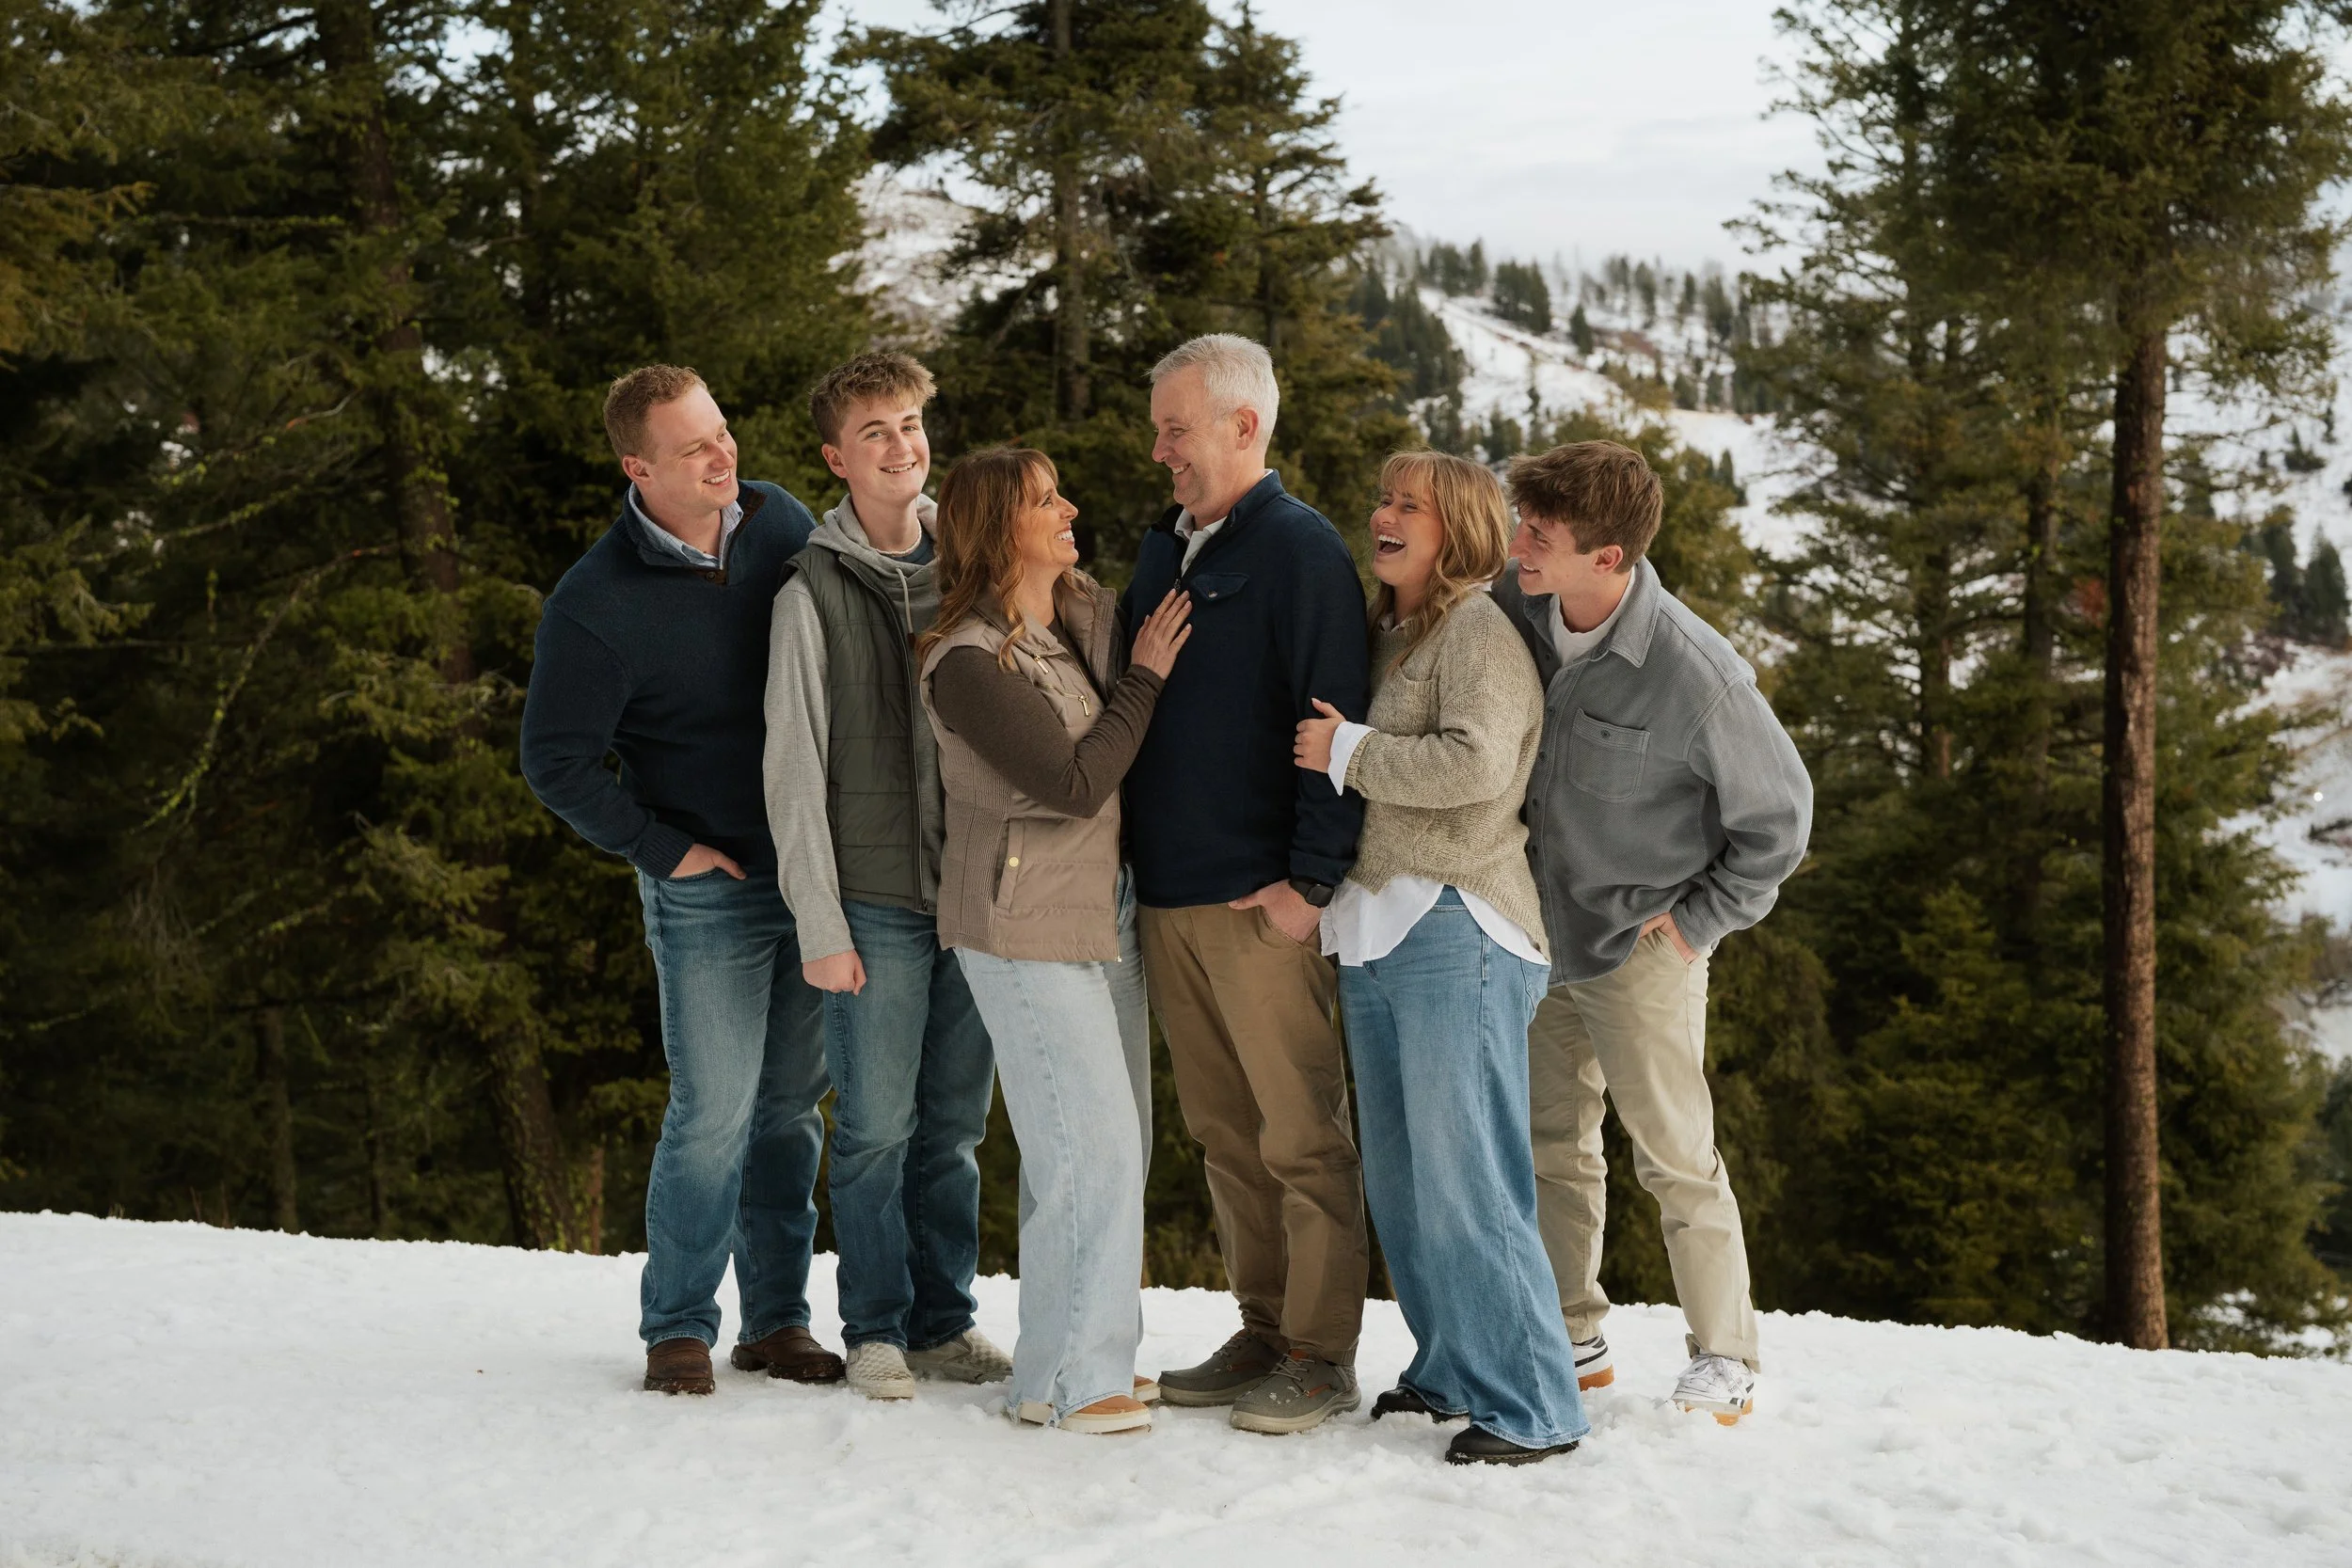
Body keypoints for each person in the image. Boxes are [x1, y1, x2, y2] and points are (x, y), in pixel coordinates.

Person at [520, 364, 843, 1396]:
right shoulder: (596, 603)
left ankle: (779, 1321)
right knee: (713, 1109)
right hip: (708, 884)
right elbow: (555, 759)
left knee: (792, 1107)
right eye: (695, 446)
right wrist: (662, 849)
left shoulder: (779, 523)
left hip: (812, 875)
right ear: (637, 467)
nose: (723, 455)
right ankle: (677, 1326)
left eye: (724, 431)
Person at [1492, 440, 1813, 1425]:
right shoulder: (1517, 610)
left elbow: (1782, 817)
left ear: (1611, 558)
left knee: (1674, 1153)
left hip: (1642, 949)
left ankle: (1725, 1353)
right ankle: (1571, 1330)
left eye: (1540, 536)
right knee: (1552, 1143)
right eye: (1522, 526)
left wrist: (1695, 924)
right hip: (1540, 936)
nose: (1518, 547)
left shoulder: (1694, 671)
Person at [1293, 450, 1588, 1465]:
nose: (1382, 514)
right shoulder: (1394, 635)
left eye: (1407, 504)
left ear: (1455, 526)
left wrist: (1349, 753)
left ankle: (1538, 1402)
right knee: (1410, 1182)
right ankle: (1457, 1365)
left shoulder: (1476, 630)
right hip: (1381, 930)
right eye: (1379, 497)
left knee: (1470, 1174)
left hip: (1457, 926)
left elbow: (1475, 766)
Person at [1119, 333, 1373, 1435]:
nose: (1160, 447)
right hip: (1168, 894)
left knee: (1299, 1132)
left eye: (1177, 427)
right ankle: (1262, 1325)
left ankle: (1319, 1349)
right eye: (1159, 426)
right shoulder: (1162, 546)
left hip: (1260, 897)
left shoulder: (1297, 549)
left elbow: (1334, 722)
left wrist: (1309, 882)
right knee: (1224, 1133)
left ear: (1242, 426)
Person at [918, 447, 1195, 1434]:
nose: (1070, 508)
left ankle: (1058, 1367)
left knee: (1105, 1140)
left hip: (1098, 911)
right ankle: (1084, 1379)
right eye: (1046, 500)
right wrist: (1149, 681)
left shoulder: (1063, 626)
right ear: (999, 529)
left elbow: (1115, 603)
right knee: (1093, 1146)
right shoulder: (966, 662)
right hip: (1020, 926)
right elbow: (1073, 783)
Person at [762, 353, 1006, 1401]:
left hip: (974, 899)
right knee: (872, 1128)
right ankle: (875, 1327)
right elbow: (792, 765)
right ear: (836, 457)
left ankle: (944, 1319)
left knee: (953, 1127)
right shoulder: (812, 588)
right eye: (875, 432)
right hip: (870, 903)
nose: (902, 445)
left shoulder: (976, 565)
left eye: (910, 424)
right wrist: (821, 919)